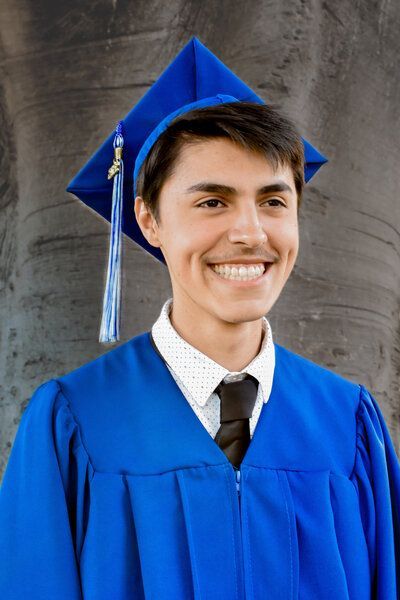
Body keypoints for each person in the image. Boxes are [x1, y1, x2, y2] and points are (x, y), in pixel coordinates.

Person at [0, 36, 399, 600]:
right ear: (149, 219)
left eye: (273, 201)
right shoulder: (75, 422)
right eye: (212, 201)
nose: (250, 233)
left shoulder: (348, 424)